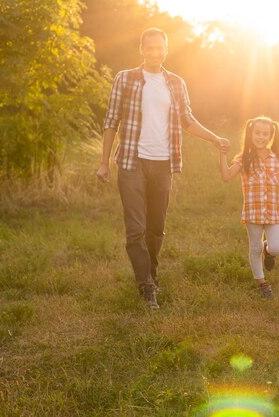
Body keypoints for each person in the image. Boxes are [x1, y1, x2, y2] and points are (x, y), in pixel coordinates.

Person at [96, 28, 230, 309]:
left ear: (166, 49)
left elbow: (188, 120)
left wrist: (215, 138)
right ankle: (146, 286)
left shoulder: (176, 83)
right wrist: (104, 162)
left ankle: (151, 276)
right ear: (142, 49)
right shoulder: (126, 78)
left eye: (160, 48)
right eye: (150, 48)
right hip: (132, 161)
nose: (155, 52)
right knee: (136, 228)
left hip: (163, 163)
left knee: (156, 229)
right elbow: (111, 121)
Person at [218, 116, 279, 298]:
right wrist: (222, 154)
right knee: (255, 248)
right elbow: (226, 176)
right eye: (257, 133)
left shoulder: (278, 159)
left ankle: (269, 253)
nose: (261, 137)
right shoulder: (244, 159)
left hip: (274, 211)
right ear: (250, 134)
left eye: (265, 134)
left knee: (276, 248)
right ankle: (261, 282)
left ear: (271, 136)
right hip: (253, 212)